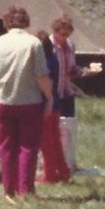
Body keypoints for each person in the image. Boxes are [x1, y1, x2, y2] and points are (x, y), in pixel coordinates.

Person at [0, 5, 54, 198]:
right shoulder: (34, 44)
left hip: (4, 101)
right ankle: (26, 190)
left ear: (6, 22)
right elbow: (41, 75)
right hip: (29, 101)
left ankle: (9, 190)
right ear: (26, 22)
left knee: (6, 147)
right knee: (28, 147)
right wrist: (49, 97)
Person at [51, 15, 85, 173]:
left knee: (69, 129)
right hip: (53, 92)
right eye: (62, 34)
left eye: (67, 34)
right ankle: (53, 162)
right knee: (53, 130)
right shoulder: (49, 46)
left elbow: (71, 69)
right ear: (55, 31)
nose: (64, 37)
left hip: (67, 91)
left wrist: (84, 72)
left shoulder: (70, 46)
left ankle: (69, 161)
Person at [36, 31, 71, 184]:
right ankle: (63, 171)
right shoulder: (54, 58)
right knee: (55, 141)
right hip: (56, 104)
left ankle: (49, 174)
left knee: (46, 143)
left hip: (46, 105)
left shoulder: (44, 63)